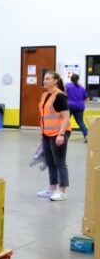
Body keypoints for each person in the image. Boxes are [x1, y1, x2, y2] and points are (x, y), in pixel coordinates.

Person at [39, 71, 72, 200]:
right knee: (50, 162)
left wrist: (61, 134)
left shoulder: (60, 96)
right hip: (46, 133)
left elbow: (66, 118)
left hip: (59, 133)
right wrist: (42, 132)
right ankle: (52, 188)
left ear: (55, 81)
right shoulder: (44, 95)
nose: (44, 81)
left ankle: (62, 191)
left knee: (60, 163)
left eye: (47, 79)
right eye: (44, 78)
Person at [71, 73, 89, 140]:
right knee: (80, 122)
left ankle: (61, 135)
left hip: (69, 106)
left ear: (71, 79)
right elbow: (86, 98)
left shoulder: (67, 86)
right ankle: (86, 135)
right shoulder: (82, 88)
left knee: (65, 121)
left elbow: (64, 95)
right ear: (78, 79)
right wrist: (81, 103)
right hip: (80, 107)